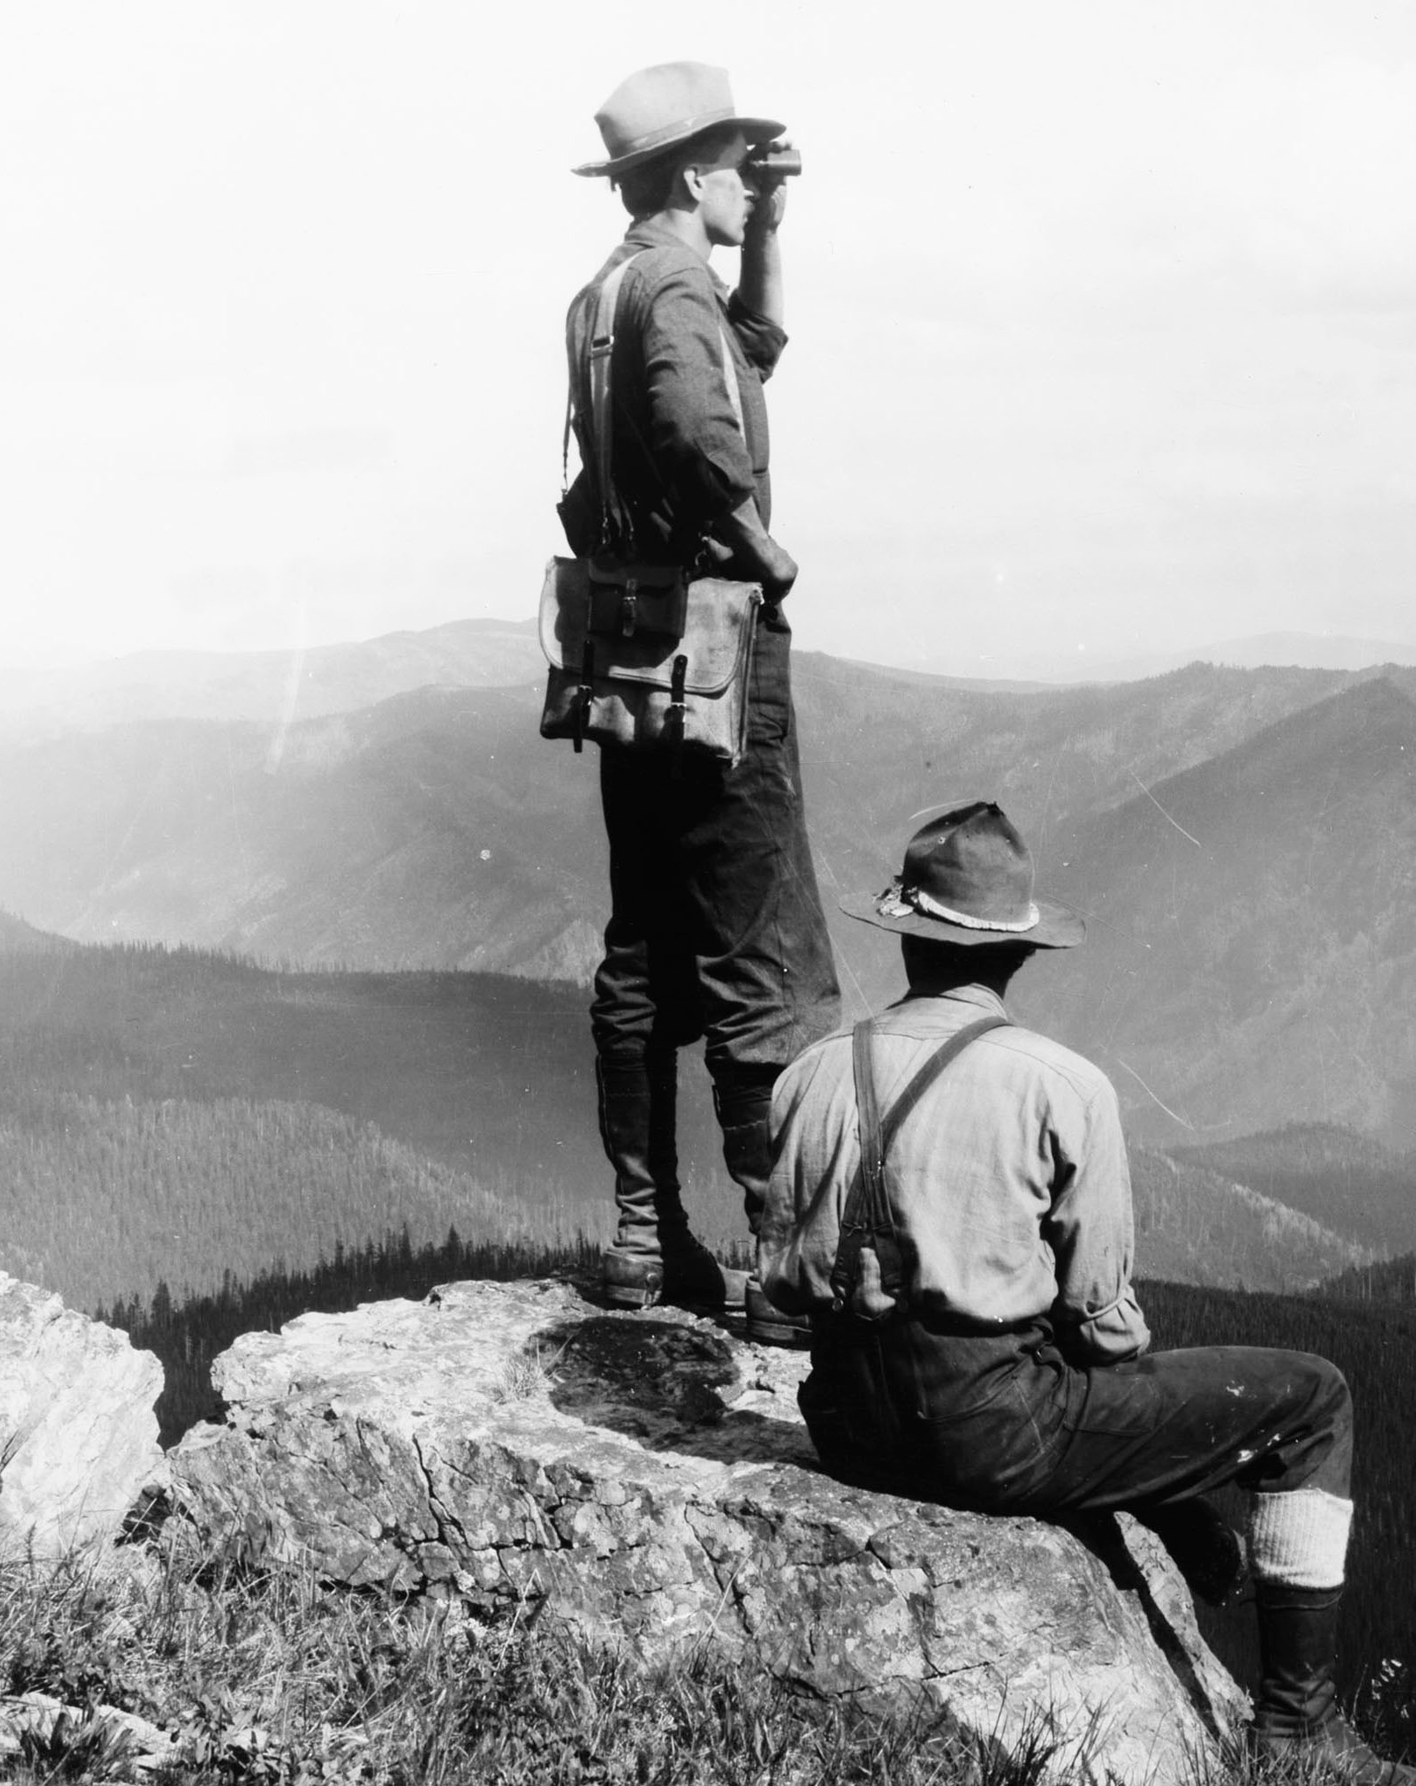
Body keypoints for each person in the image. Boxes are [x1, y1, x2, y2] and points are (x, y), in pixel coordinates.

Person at [756, 802, 1416, 1784]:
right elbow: (1102, 1317)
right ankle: (1297, 1728)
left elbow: (780, 1284)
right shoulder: (1058, 1084)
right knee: (1315, 1396)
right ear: (1021, 953)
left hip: (850, 1427)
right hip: (992, 1438)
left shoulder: (810, 1074)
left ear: (906, 938)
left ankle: (1169, 1501)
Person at [561, 62, 841, 1342]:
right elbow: (696, 425)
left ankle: (640, 1233)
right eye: (739, 165)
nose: (750, 181)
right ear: (686, 173)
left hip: (630, 656)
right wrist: (759, 545)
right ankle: (784, 1265)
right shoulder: (673, 288)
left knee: (644, 937)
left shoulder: (607, 292)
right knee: (754, 943)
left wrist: (771, 227)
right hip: (719, 644)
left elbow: (753, 349)